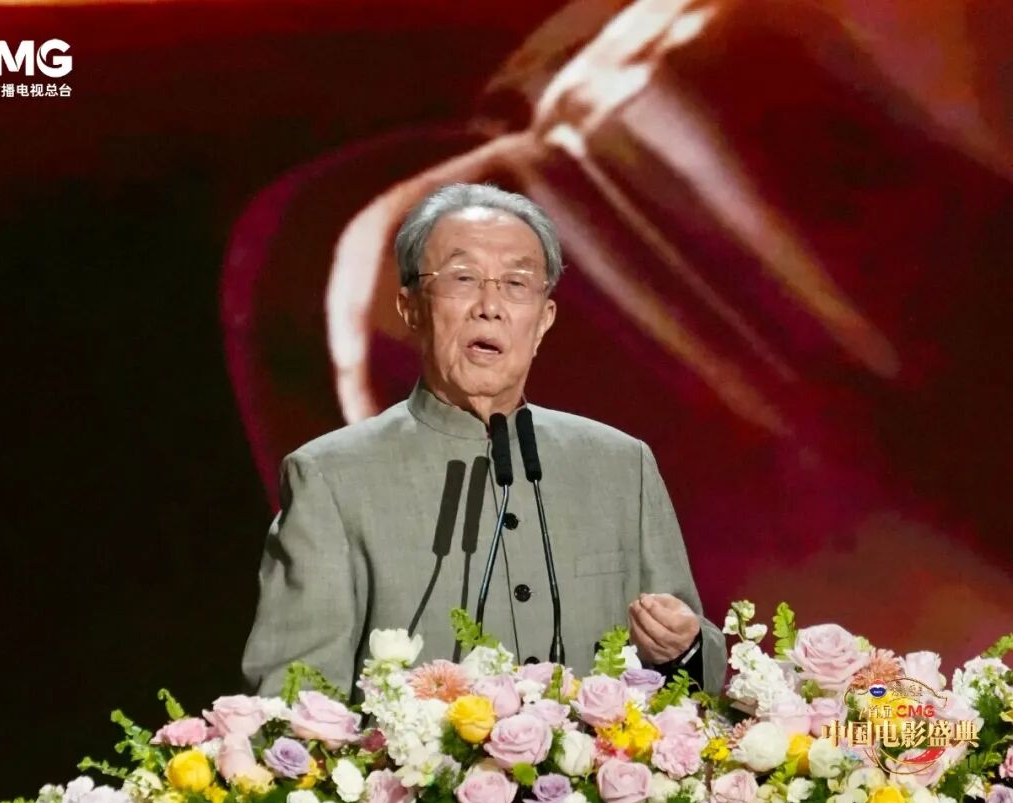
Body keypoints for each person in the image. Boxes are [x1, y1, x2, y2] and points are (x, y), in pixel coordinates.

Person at [242, 182, 727, 697]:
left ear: (543, 320)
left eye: (517, 283)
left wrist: (684, 647)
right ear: (410, 307)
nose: (490, 306)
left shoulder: (620, 467)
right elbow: (293, 702)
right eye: (463, 278)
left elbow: (700, 674)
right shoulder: (331, 478)